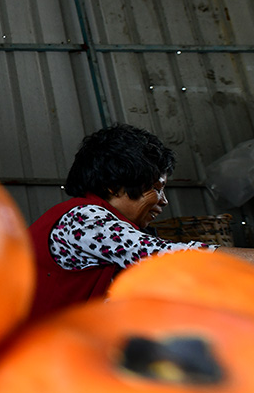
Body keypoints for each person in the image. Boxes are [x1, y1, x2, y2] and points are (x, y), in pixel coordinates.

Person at [27, 123, 254, 323]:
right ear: (114, 186)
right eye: (156, 188)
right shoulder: (85, 219)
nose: (163, 201)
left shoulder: (100, 224)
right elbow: (164, 256)